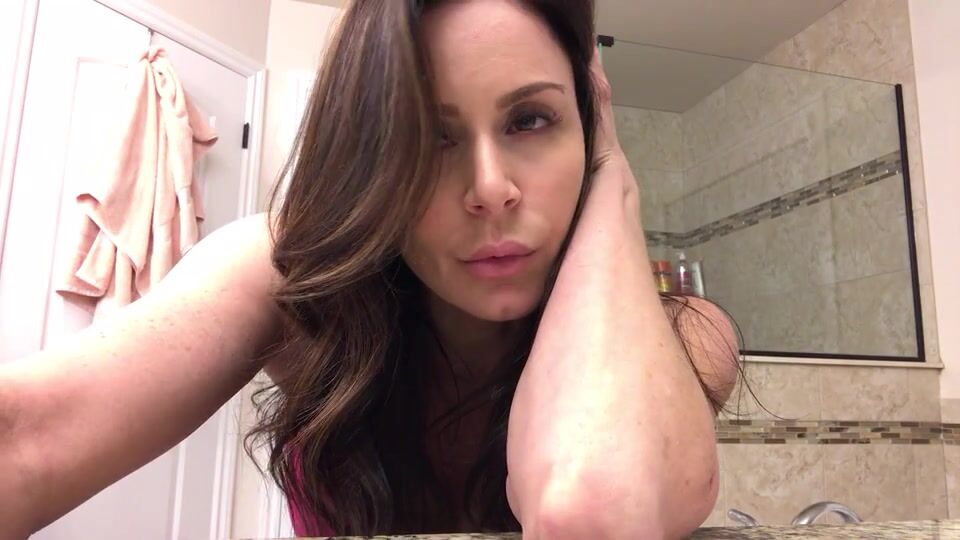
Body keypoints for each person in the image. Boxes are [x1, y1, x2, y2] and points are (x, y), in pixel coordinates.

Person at [0, 0, 743, 538]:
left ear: (588, 128)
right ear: (372, 161)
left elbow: (592, 509)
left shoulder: (689, 337)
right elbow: (25, 439)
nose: (490, 189)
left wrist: (614, 182)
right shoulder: (294, 281)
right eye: (430, 136)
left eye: (531, 119)